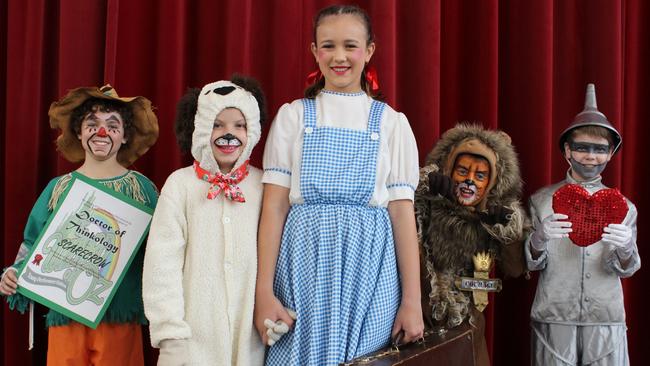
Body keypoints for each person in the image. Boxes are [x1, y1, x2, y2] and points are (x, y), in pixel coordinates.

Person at [254, 4, 424, 365]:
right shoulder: (294, 116)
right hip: (303, 265)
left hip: (371, 269)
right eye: (328, 46)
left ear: (370, 50)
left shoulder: (392, 124)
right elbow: (274, 207)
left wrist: (412, 300)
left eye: (351, 45)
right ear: (314, 51)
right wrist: (263, 292)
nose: (340, 56)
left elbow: (401, 214)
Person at [0, 85, 159, 365]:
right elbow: (32, 241)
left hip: (118, 315)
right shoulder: (59, 188)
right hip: (65, 314)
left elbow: (161, 249)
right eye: (92, 124)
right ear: (79, 132)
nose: (101, 132)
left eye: (112, 125)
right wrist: (14, 273)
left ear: (124, 136)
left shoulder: (142, 190)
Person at [142, 75, 267, 365]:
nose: (229, 134)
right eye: (217, 125)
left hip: (250, 337)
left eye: (240, 125)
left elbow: (276, 254)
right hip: (193, 339)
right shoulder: (180, 185)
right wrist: (170, 334)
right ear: (199, 130)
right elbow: (162, 264)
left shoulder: (263, 186)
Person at [526, 84, 640, 365]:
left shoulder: (624, 207)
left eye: (600, 149)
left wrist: (626, 248)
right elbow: (530, 263)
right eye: (582, 148)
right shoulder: (542, 200)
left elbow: (626, 268)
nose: (591, 156)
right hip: (554, 316)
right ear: (567, 149)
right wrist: (537, 241)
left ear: (611, 153)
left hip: (605, 318)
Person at [415, 123, 527, 366]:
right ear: (449, 169)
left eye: (479, 176)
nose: (469, 182)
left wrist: (507, 231)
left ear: (492, 182)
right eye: (462, 171)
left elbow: (515, 268)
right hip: (421, 319)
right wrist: (423, 188)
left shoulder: (493, 218)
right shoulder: (426, 204)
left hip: (467, 323)